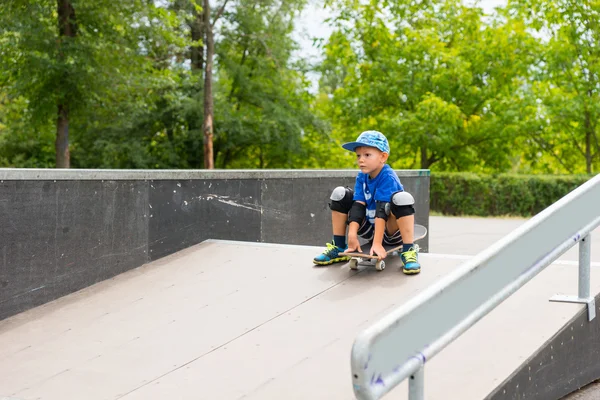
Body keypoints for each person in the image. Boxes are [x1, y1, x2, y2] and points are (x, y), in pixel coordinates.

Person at [312, 130, 421, 275]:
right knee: (340, 193)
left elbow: (382, 211)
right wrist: (352, 234)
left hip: (391, 231)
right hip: (371, 228)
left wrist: (377, 243)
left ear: (383, 157)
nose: (361, 160)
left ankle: (409, 250)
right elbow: (358, 206)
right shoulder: (362, 176)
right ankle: (338, 246)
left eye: (367, 155)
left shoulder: (387, 176)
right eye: (358, 155)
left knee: (402, 198)